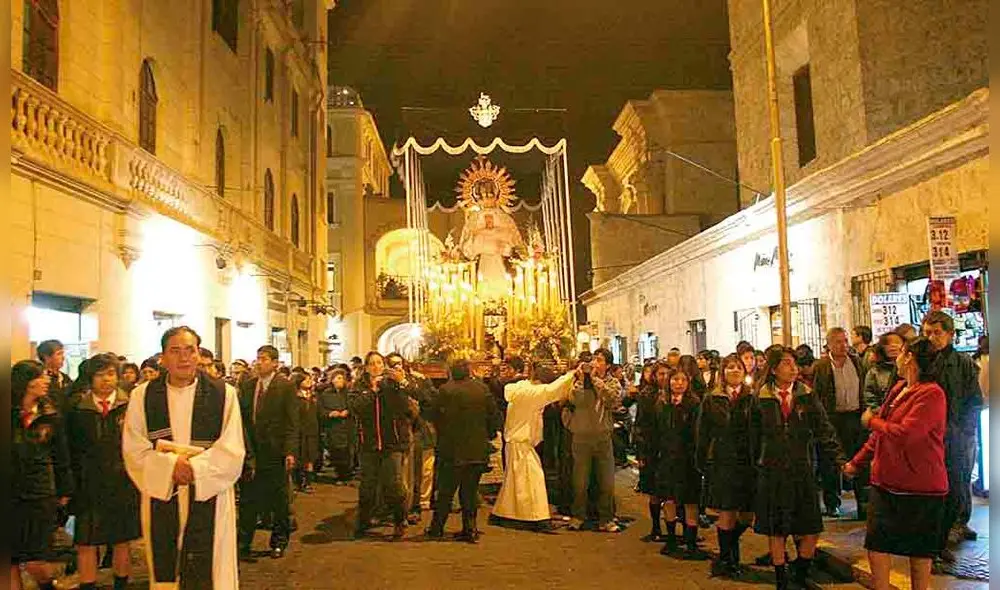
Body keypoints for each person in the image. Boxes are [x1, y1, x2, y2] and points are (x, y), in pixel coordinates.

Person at [123, 326, 245, 588]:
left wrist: (195, 470)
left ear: (199, 354)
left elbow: (232, 447)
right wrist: (170, 467)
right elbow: (134, 448)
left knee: (212, 570)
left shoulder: (224, 394)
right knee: (167, 570)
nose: (184, 358)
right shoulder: (142, 396)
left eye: (190, 350)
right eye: (175, 351)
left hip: (209, 494)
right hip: (163, 493)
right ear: (163, 358)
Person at [842, 337, 948, 590]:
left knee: (919, 556)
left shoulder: (932, 394)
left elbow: (908, 434)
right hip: (886, 483)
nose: (896, 357)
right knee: (877, 545)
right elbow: (880, 436)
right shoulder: (899, 388)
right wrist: (856, 462)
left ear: (909, 357)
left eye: (901, 352)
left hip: (920, 486)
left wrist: (872, 422)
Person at [753, 346, 844, 589]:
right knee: (778, 528)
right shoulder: (760, 398)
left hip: (802, 469)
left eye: (794, 363)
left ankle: (801, 571)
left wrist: (840, 460)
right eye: (786, 364)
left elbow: (824, 429)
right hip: (772, 470)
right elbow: (750, 438)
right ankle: (781, 577)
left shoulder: (806, 395)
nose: (793, 369)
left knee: (811, 526)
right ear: (773, 369)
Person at [66, 354, 140, 590]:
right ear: (90, 378)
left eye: (110, 374)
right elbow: (69, 449)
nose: (106, 380)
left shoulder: (130, 405)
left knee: (121, 541)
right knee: (86, 542)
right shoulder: (77, 408)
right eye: (100, 375)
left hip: (123, 482)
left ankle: (121, 584)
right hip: (87, 485)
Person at [921, 311, 983, 559]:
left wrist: (963, 430)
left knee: (956, 487)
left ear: (950, 334)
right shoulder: (921, 362)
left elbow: (974, 400)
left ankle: (948, 532)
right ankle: (932, 544)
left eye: (937, 333)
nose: (932, 338)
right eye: (927, 333)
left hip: (956, 437)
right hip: (928, 439)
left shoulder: (964, 363)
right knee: (932, 492)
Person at [12, 360, 73, 590]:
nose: (46, 381)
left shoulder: (50, 413)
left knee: (37, 561)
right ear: (26, 383)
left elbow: (61, 454)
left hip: (39, 494)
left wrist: (65, 490)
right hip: (10, 493)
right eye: (41, 377)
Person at [426, 359, 502, 542]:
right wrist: (489, 435)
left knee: (445, 491)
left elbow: (433, 414)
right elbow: (494, 415)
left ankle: (437, 527)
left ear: (450, 372)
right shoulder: (481, 389)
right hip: (476, 450)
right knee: (469, 490)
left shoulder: (446, 390)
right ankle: (471, 529)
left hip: (451, 450)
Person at [493, 364, 577, 526]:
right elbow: (552, 390)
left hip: (518, 441)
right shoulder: (532, 393)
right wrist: (572, 374)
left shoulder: (521, 389)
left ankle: (507, 513)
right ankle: (536, 517)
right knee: (532, 480)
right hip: (521, 442)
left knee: (517, 483)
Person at [237, 345, 299, 560]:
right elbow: (243, 418)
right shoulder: (248, 385)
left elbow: (292, 422)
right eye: (257, 358)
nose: (258, 362)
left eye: (263, 359)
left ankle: (279, 541)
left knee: (278, 501)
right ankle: (243, 543)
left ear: (274, 363)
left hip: (276, 451)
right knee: (248, 500)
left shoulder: (285, 386)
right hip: (252, 451)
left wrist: (290, 451)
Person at [697, 354, 756, 578]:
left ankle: (727, 551)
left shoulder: (752, 398)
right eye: (730, 367)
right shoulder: (712, 399)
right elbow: (702, 433)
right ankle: (729, 558)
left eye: (738, 367)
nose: (734, 371)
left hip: (747, 463)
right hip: (723, 462)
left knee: (747, 515)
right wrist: (702, 461)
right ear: (722, 372)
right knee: (728, 512)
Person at [350, 351, 418, 540]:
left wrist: (398, 384)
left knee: (394, 485)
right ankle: (363, 521)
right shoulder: (359, 386)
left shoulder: (392, 384)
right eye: (372, 363)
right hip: (369, 444)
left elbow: (407, 405)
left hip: (392, 443)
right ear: (366, 367)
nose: (376, 366)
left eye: (379, 363)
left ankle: (399, 519)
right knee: (367, 487)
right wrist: (372, 391)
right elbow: (355, 407)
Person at [566, 348, 622, 532]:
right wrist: (583, 380)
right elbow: (574, 400)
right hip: (581, 436)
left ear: (607, 364)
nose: (595, 363)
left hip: (603, 436)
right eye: (593, 359)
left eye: (599, 360)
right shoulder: (580, 381)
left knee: (606, 481)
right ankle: (578, 516)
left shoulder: (612, 382)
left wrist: (595, 380)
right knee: (580, 480)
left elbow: (611, 400)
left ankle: (606, 518)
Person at [812, 327, 865, 519]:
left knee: (857, 459)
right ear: (829, 345)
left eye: (845, 341)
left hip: (854, 417)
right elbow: (817, 394)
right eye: (838, 342)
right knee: (830, 463)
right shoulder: (822, 366)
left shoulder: (857, 362)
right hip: (833, 418)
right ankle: (832, 501)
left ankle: (863, 503)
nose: (843, 346)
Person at [651, 368, 704, 558]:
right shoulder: (661, 403)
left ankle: (691, 543)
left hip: (688, 460)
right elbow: (655, 431)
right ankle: (671, 539)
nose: (678, 383)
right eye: (675, 379)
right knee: (669, 498)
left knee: (690, 501)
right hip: (666, 458)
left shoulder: (694, 404)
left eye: (682, 380)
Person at [634, 361, 669, 541]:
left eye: (666, 374)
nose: (664, 377)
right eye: (660, 374)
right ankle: (656, 527)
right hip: (652, 448)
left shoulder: (675, 395)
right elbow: (640, 424)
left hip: (670, 449)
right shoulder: (647, 396)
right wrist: (641, 452)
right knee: (654, 491)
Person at [319, 368, 356, 482]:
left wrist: (348, 411)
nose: (340, 380)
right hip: (333, 427)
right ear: (332, 379)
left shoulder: (348, 393)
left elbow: (354, 406)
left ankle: (347, 474)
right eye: (338, 378)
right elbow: (320, 410)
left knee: (347, 452)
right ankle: (340, 474)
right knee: (336, 451)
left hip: (347, 426)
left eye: (342, 378)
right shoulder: (326, 394)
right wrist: (330, 413)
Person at [292, 372, 320, 494]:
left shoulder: (313, 396)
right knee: (300, 457)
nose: (309, 381)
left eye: (310, 379)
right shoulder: (294, 397)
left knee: (310, 457)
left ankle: (308, 482)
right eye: (306, 379)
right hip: (299, 431)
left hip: (312, 430)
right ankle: (298, 482)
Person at [863, 332, 903, 410]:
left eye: (897, 343)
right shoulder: (874, 372)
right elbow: (870, 399)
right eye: (887, 344)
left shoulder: (912, 369)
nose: (892, 346)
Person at [37, 339, 73, 413]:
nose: (63, 357)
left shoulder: (65, 378)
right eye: (59, 354)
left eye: (63, 354)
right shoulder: (39, 379)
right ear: (47, 357)